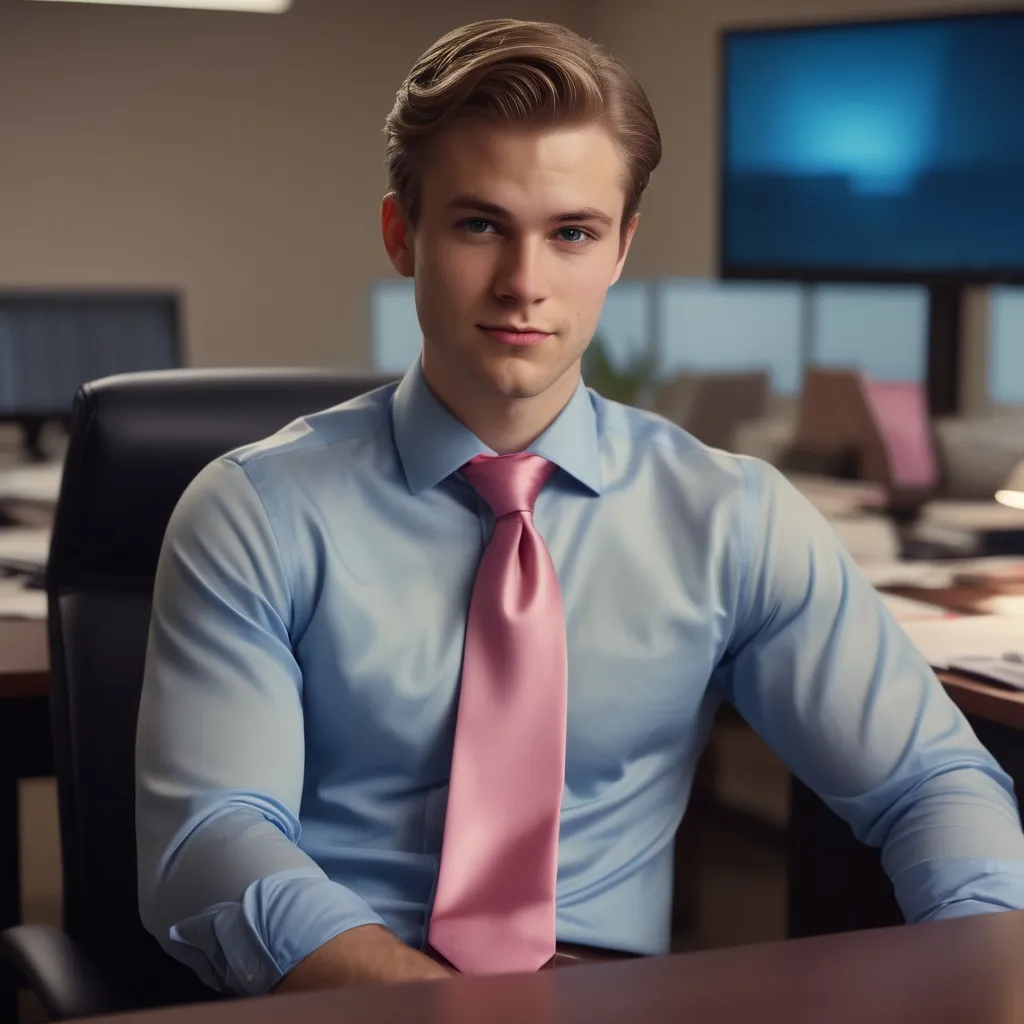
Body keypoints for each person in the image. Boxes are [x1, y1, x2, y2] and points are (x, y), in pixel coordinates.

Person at [136, 16, 1024, 998]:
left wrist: (984, 965)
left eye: (570, 233)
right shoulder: (253, 511)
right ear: (403, 234)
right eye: (480, 225)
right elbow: (213, 839)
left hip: (608, 996)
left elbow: (929, 783)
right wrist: (431, 1004)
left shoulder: (731, 517)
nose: (524, 284)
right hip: (343, 994)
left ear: (619, 249)